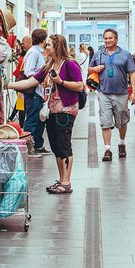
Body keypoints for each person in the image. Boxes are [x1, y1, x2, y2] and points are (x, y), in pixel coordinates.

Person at [9, 35, 84, 194]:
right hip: (51, 110)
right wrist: (9, 85)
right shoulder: (49, 65)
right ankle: (61, 180)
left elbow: (79, 86)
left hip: (65, 110)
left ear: (57, 47)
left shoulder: (70, 64)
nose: (45, 48)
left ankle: (66, 182)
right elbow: (31, 82)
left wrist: (61, 82)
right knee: (56, 146)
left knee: (64, 145)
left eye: (48, 45)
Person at [88, 28, 135, 161]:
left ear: (116, 39)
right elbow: (90, 69)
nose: (108, 40)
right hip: (104, 93)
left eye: (110, 38)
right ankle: (107, 149)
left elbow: (132, 73)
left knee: (122, 121)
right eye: (105, 38)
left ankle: (121, 143)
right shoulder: (99, 54)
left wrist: (134, 92)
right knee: (105, 121)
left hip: (121, 93)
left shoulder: (126, 54)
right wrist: (94, 69)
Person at [21, 29, 49, 155]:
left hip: (40, 92)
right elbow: (28, 71)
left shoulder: (40, 52)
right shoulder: (34, 53)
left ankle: (38, 144)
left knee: (40, 120)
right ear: (44, 40)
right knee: (32, 119)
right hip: (34, 92)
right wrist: (40, 79)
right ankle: (27, 147)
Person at [11, 34, 32, 124]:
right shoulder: (24, 57)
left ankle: (21, 125)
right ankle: (20, 125)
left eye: (23, 43)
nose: (22, 45)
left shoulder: (28, 56)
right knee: (21, 105)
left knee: (21, 105)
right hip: (22, 85)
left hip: (26, 85)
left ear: (30, 43)